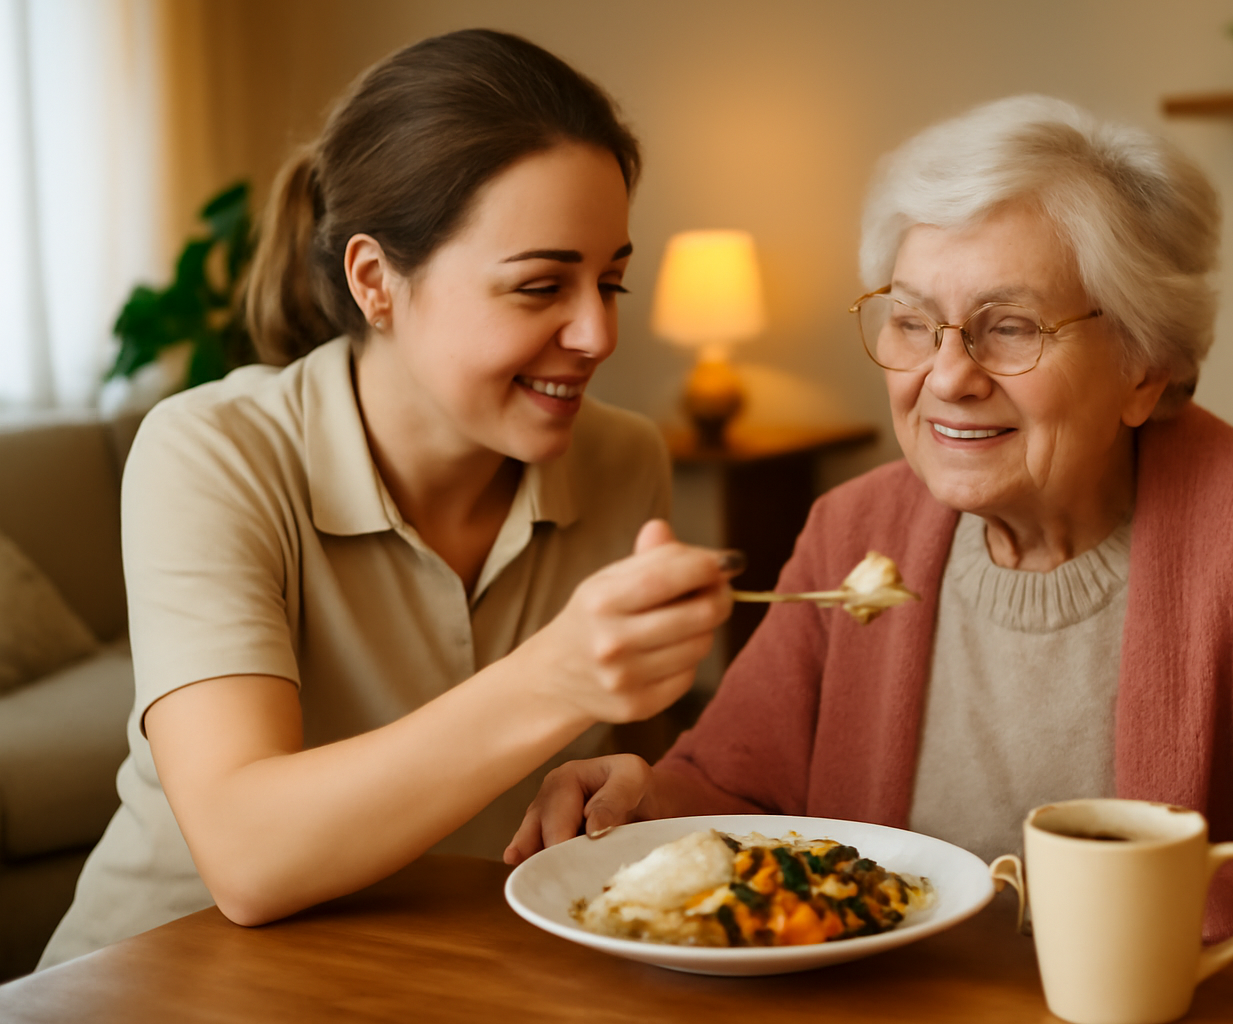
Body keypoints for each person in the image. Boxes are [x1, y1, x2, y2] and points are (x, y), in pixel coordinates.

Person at [506, 95, 1233, 983]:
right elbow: (735, 786)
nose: (947, 375)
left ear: (1146, 367)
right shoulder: (857, 527)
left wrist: (1145, 903)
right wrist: (644, 802)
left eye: (1009, 327)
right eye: (912, 322)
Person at [40, 29, 737, 968]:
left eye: (610, 279)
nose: (597, 331)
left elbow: (624, 789)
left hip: (454, 977)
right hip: (171, 978)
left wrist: (627, 785)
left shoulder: (624, 460)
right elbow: (246, 859)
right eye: (540, 285)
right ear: (376, 280)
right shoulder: (212, 451)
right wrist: (559, 675)